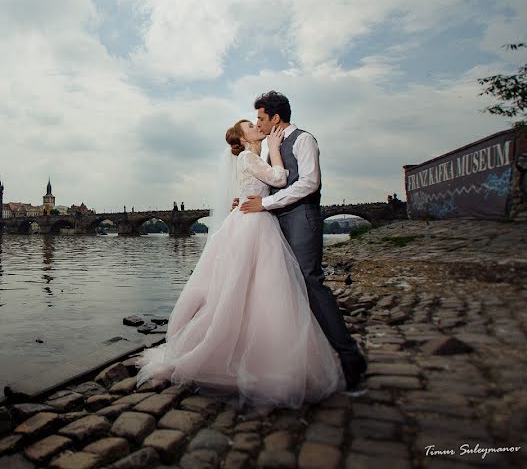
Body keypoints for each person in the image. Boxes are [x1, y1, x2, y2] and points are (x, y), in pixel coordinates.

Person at [136, 119, 345, 409]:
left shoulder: (250, 158)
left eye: (256, 121)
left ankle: (251, 345)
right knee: (256, 284)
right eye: (250, 126)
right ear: (243, 139)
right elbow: (281, 179)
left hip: (256, 219)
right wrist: (274, 148)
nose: (257, 126)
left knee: (253, 285)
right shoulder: (250, 155)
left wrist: (254, 185)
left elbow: (264, 187)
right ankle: (247, 351)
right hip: (255, 223)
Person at [239, 91, 367, 390]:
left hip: (301, 217)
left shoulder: (304, 139)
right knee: (284, 287)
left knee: (310, 283)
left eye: (260, 117)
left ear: (275, 117)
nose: (258, 122)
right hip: (275, 219)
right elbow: (271, 184)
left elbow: (309, 182)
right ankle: (300, 359)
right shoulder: (273, 146)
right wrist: (248, 200)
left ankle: (351, 359)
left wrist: (265, 204)